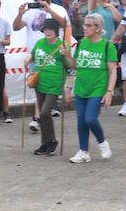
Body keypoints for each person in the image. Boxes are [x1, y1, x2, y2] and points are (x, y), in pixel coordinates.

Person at [68, 14, 119, 163]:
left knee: (90, 118)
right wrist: (66, 56)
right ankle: (84, 152)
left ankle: (102, 142)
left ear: (98, 28)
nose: (84, 28)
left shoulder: (107, 46)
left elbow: (113, 71)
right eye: (84, 25)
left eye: (89, 25)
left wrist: (109, 91)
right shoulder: (81, 43)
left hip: (98, 88)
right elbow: (74, 65)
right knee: (80, 120)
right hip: (81, 87)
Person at [24, 19, 72, 156]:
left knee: (44, 112)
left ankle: (51, 140)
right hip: (39, 82)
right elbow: (33, 55)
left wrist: (67, 55)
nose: (48, 32)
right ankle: (44, 143)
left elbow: (70, 65)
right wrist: (28, 58)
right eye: (45, 29)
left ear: (56, 31)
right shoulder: (40, 43)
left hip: (54, 83)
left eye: (50, 29)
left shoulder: (63, 46)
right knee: (43, 115)